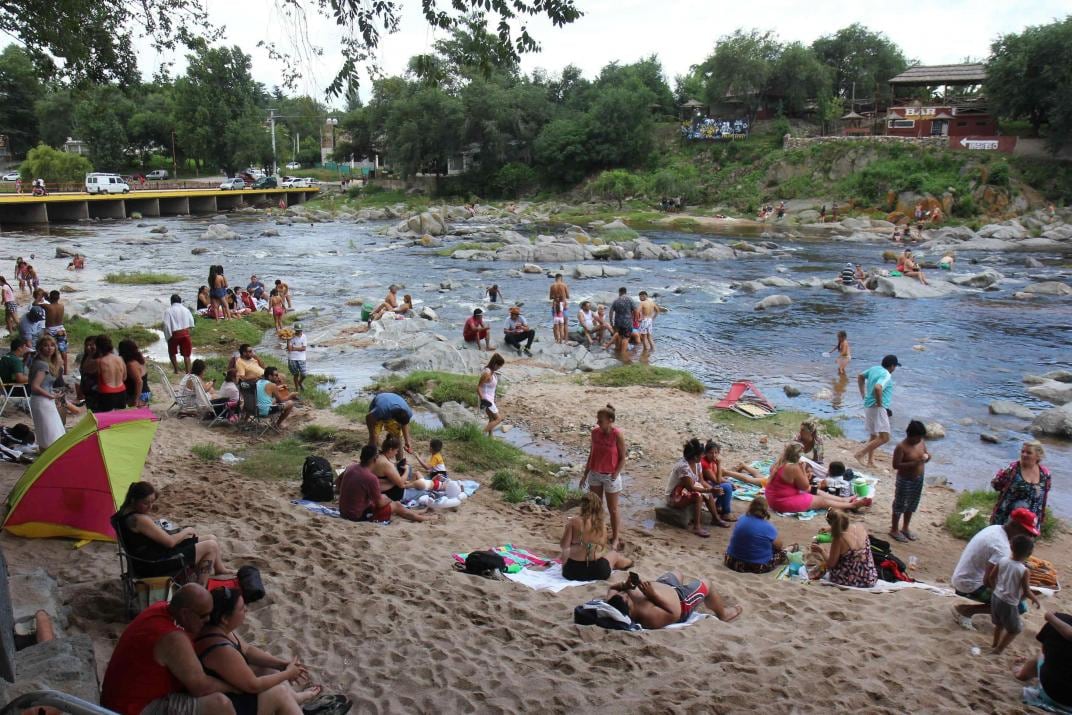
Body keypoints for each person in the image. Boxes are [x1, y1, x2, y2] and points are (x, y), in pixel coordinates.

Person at [100, 584, 235, 715]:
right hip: (131, 709)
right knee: (220, 705)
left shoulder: (160, 608)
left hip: (118, 700)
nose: (208, 619)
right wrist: (233, 687)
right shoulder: (172, 638)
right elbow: (201, 687)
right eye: (203, 615)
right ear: (185, 613)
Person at [195, 587, 324, 713]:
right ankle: (292, 705)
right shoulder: (221, 650)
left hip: (234, 693)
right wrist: (288, 673)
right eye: (241, 608)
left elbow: (247, 650)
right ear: (224, 618)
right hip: (231, 705)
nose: (246, 609)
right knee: (279, 693)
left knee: (269, 668)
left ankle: (296, 699)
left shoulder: (219, 629)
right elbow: (254, 685)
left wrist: (282, 665)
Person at [113, 482, 229, 577]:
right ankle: (200, 586)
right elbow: (170, 542)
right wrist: (186, 530)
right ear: (133, 500)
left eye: (152, 502)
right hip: (153, 564)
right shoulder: (138, 519)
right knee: (211, 546)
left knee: (211, 538)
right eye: (145, 503)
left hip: (145, 559)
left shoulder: (121, 516)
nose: (150, 507)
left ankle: (220, 569)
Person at [951, 507, 1040, 629]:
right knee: (1017, 606)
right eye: (1027, 533)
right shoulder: (1001, 547)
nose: (1029, 537)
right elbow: (988, 581)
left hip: (963, 574)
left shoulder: (997, 528)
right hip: (969, 583)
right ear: (1016, 526)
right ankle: (966, 611)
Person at [604, 572, 741, 629]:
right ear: (629, 609)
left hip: (664, 587)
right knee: (707, 584)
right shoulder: (648, 616)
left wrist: (624, 586)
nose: (627, 594)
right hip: (682, 600)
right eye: (626, 597)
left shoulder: (614, 602)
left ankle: (678, 584)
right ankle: (723, 614)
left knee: (677, 573)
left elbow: (612, 589)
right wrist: (653, 596)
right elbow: (674, 613)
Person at [765, 443, 869, 514]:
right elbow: (805, 487)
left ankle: (843, 499)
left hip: (774, 497)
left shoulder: (780, 462)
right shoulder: (793, 467)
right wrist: (802, 469)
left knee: (816, 491)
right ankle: (851, 506)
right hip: (781, 501)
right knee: (821, 501)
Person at [580, 405, 626, 550]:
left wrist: (616, 473)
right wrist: (585, 475)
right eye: (598, 419)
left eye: (601, 420)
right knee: (596, 506)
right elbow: (591, 454)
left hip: (610, 476)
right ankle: (598, 532)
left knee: (613, 509)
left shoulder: (617, 435)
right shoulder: (595, 433)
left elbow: (623, 457)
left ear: (610, 420)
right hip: (595, 473)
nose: (598, 422)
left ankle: (616, 537)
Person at [559, 492, 633, 581]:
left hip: (572, 572)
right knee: (614, 555)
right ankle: (630, 563)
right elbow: (602, 547)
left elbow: (564, 546)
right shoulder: (601, 524)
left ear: (582, 505)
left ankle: (628, 562)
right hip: (598, 571)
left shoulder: (573, 522)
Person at [988, 535, 1041, 654]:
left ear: (1011, 547)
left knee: (999, 624)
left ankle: (995, 644)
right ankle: (999, 650)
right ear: (1029, 553)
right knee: (1014, 630)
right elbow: (1027, 591)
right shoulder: (1024, 570)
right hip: (1009, 603)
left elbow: (991, 577)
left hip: (996, 597)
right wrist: (1035, 599)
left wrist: (995, 589)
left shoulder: (1002, 560)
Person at [666, 439, 728, 537]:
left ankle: (716, 518)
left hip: (685, 489)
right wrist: (710, 490)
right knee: (698, 496)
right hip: (674, 494)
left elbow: (701, 481)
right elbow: (691, 488)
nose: (702, 456)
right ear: (695, 456)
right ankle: (697, 527)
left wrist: (712, 489)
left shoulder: (697, 463)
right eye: (701, 455)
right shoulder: (683, 467)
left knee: (707, 491)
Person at [1013, 611, 1072, 709]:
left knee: (1042, 653)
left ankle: (1021, 674)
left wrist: (1051, 617)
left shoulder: (1060, 619)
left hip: (1051, 692)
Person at [990, 441, 1051, 533]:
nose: (1024, 454)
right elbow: (995, 484)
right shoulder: (1013, 469)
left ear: (1038, 456)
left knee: (1023, 544)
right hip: (1008, 516)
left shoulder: (1045, 474)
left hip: (1031, 518)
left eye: (1028, 452)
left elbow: (1045, 493)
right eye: (1022, 451)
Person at [854, 355, 900, 468]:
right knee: (885, 437)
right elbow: (878, 387)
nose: (895, 369)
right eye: (895, 366)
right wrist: (880, 404)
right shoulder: (886, 374)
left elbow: (860, 376)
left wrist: (863, 394)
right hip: (877, 407)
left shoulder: (874, 369)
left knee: (874, 435)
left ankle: (870, 461)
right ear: (892, 366)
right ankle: (860, 454)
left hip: (868, 406)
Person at [891, 420, 930, 543]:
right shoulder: (901, 447)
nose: (920, 439)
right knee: (900, 504)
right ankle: (894, 529)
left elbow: (927, 454)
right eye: (918, 437)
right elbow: (896, 465)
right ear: (911, 435)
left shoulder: (921, 443)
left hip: (918, 478)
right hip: (905, 480)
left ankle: (905, 527)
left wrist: (927, 457)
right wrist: (913, 463)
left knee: (912, 504)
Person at [725, 497, 783, 573]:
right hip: (757, 566)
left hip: (731, 561)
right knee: (783, 552)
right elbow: (779, 546)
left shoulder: (741, 519)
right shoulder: (768, 527)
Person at [28, 335, 66, 449]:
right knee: (51, 433)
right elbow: (35, 386)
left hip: (42, 400)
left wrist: (51, 394)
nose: (49, 348)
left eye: (52, 345)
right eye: (46, 345)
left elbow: (42, 385)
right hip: (42, 401)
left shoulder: (41, 362)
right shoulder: (42, 364)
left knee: (46, 432)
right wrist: (50, 395)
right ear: (40, 348)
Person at [699, 440, 735, 523]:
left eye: (716, 453)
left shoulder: (711, 461)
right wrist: (719, 465)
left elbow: (716, 476)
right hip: (703, 487)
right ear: (706, 453)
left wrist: (729, 482)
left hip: (708, 484)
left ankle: (717, 506)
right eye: (711, 453)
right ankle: (726, 513)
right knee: (727, 487)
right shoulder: (704, 463)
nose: (714, 455)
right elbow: (717, 481)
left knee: (729, 485)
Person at [163, 294, 195, 374]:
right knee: (186, 355)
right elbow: (191, 321)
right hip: (185, 333)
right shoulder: (185, 309)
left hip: (175, 334)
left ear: (171, 301)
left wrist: (168, 336)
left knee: (172, 352)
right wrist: (189, 329)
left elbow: (166, 325)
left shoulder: (168, 310)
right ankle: (188, 372)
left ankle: (176, 370)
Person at [477, 353, 504, 436]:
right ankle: (480, 434)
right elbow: (478, 387)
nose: (499, 368)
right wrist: (482, 399)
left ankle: (490, 437)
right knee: (498, 419)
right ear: (495, 364)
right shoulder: (487, 374)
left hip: (490, 399)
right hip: (487, 399)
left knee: (491, 418)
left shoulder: (493, 372)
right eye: (499, 366)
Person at [41, 290, 68, 373]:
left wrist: (43, 297)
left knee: (49, 349)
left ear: (50, 297)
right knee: (63, 350)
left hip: (50, 330)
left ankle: (51, 367)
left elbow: (35, 304)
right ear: (58, 298)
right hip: (61, 329)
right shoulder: (62, 306)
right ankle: (66, 370)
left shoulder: (47, 306)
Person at [118, 339, 150, 408]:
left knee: (137, 415)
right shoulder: (138, 359)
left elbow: (139, 382)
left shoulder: (131, 364)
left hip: (139, 394)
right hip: (143, 392)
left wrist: (136, 399)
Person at [608, 287, 635, 353]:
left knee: (619, 336)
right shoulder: (630, 299)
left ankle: (618, 351)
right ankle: (623, 354)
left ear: (619, 292)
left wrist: (611, 322)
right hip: (627, 322)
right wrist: (634, 319)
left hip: (618, 322)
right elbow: (635, 310)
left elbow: (611, 312)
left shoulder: (616, 300)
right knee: (626, 338)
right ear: (625, 292)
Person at [286, 323, 308, 392]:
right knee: (296, 374)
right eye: (297, 330)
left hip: (301, 358)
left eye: (300, 330)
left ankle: (300, 382)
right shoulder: (290, 337)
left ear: (302, 330)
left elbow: (303, 348)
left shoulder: (304, 336)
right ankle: (297, 389)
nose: (299, 332)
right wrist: (288, 340)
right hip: (292, 358)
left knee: (304, 374)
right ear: (295, 330)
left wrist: (294, 348)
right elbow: (289, 349)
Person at [549, 273, 570, 344]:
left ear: (555, 278)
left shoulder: (552, 286)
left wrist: (555, 297)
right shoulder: (564, 285)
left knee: (555, 324)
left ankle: (556, 339)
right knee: (565, 324)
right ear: (561, 278)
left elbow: (550, 297)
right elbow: (568, 296)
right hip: (564, 306)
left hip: (555, 306)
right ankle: (565, 340)